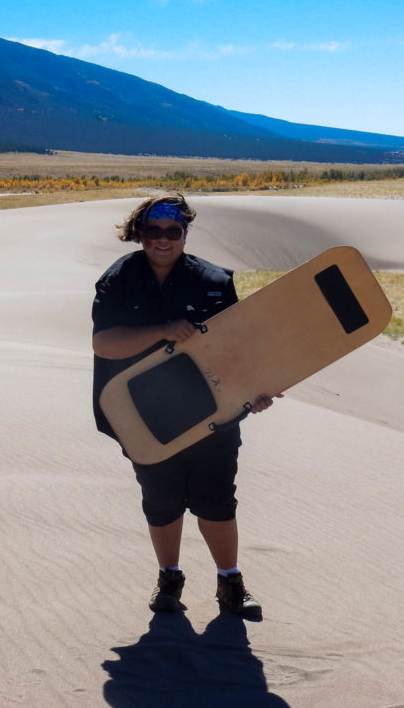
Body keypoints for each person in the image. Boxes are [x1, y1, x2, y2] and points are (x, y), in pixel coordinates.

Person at [91, 193, 278, 619]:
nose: (163, 240)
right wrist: (163, 331)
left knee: (217, 501)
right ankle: (169, 579)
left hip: (212, 412)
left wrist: (257, 390)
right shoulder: (118, 279)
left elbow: (237, 349)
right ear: (139, 232)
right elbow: (103, 343)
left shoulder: (214, 281)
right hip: (144, 414)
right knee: (162, 502)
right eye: (153, 230)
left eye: (173, 231)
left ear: (185, 233)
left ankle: (230, 583)